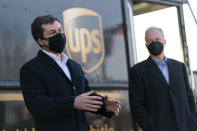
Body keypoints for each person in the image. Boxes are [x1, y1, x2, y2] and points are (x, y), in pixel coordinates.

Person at [20, 15, 120, 131]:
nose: (59, 35)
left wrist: (105, 105)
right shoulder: (31, 68)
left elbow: (86, 94)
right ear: (41, 41)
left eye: (60, 30)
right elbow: (36, 105)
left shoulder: (74, 66)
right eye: (52, 33)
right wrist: (72, 103)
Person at [129, 26, 197, 131]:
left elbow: (189, 97)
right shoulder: (138, 71)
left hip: (186, 127)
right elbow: (136, 105)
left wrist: (193, 120)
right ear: (146, 45)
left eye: (157, 39)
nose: (154, 43)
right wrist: (150, 127)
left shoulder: (180, 66)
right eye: (150, 41)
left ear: (164, 42)